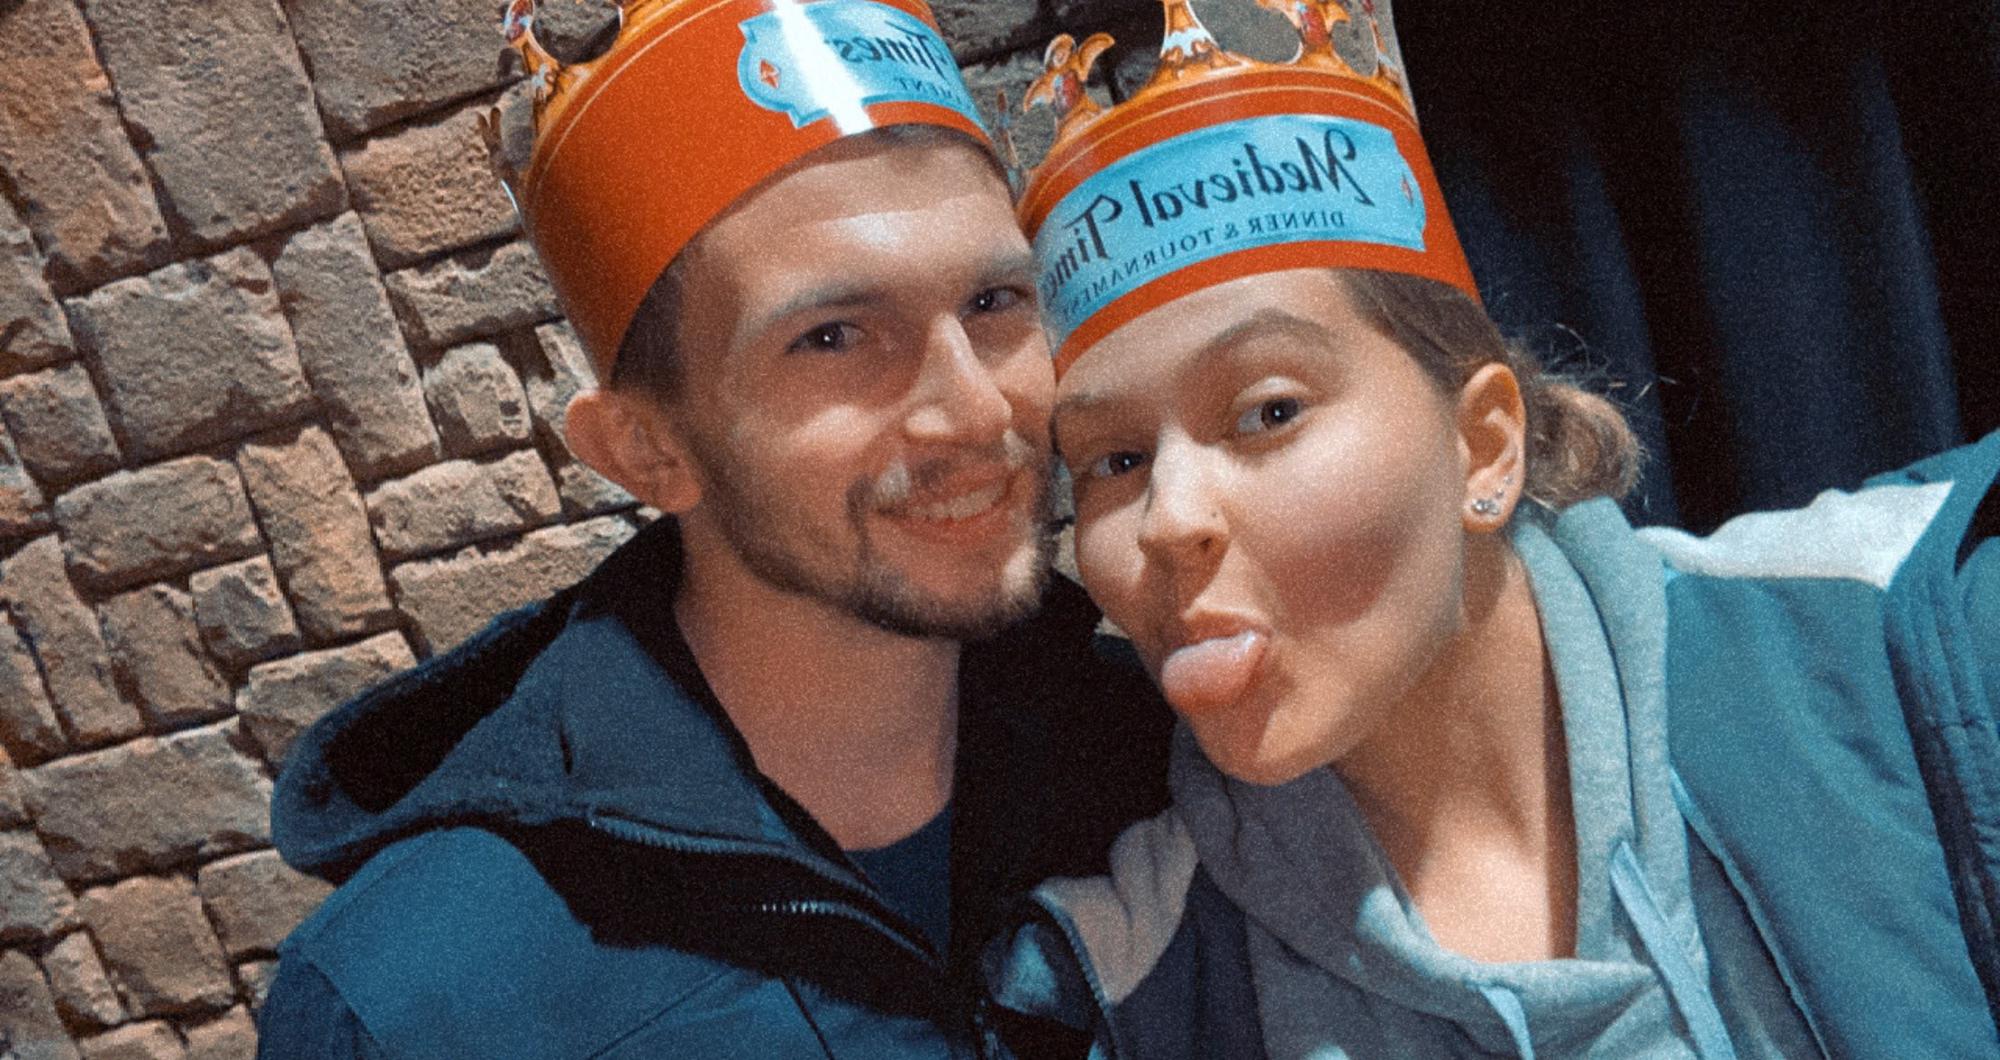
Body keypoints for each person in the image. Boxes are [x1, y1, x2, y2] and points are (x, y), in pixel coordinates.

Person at [985, 2, 2000, 1057]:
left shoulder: (1915, 649)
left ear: (1481, 447)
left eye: (1268, 411)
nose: (1167, 520)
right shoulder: (1116, 993)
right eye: (1114, 462)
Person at [256, 2, 1169, 1056]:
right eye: (833, 337)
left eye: (993, 301)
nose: (976, 411)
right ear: (647, 451)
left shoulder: (1162, 760)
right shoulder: (412, 1006)